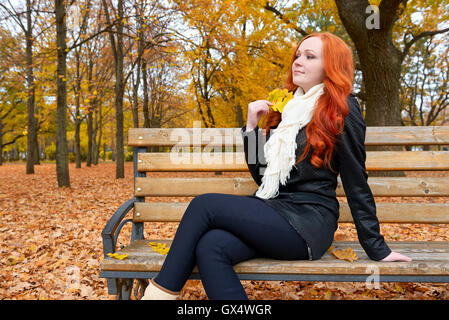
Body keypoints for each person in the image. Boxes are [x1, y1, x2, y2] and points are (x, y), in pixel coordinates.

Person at [141, 32, 412, 301]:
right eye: (297, 55)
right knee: (211, 246)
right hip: (275, 213)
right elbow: (265, 179)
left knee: (204, 205)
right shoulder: (287, 110)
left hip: (309, 222)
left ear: (331, 66)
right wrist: (250, 129)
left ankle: (159, 294)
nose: (298, 61)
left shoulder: (342, 109)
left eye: (310, 56)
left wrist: (377, 248)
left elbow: (356, 181)